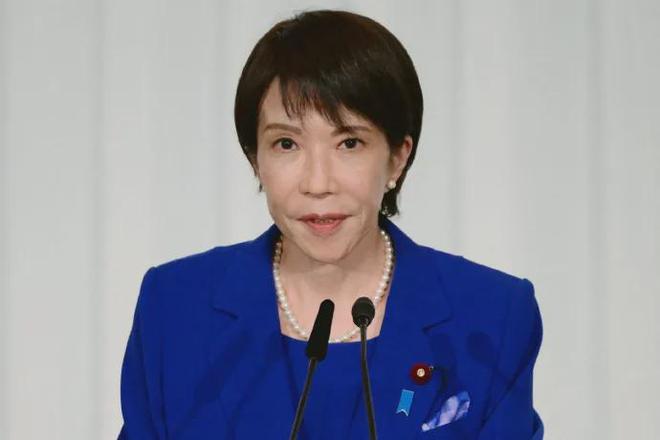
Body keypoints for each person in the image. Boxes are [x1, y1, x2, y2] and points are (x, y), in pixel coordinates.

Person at [118, 9, 544, 439]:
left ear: (397, 157)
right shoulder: (175, 308)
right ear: (255, 159)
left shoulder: (492, 315)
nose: (318, 183)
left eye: (349, 143)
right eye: (286, 143)